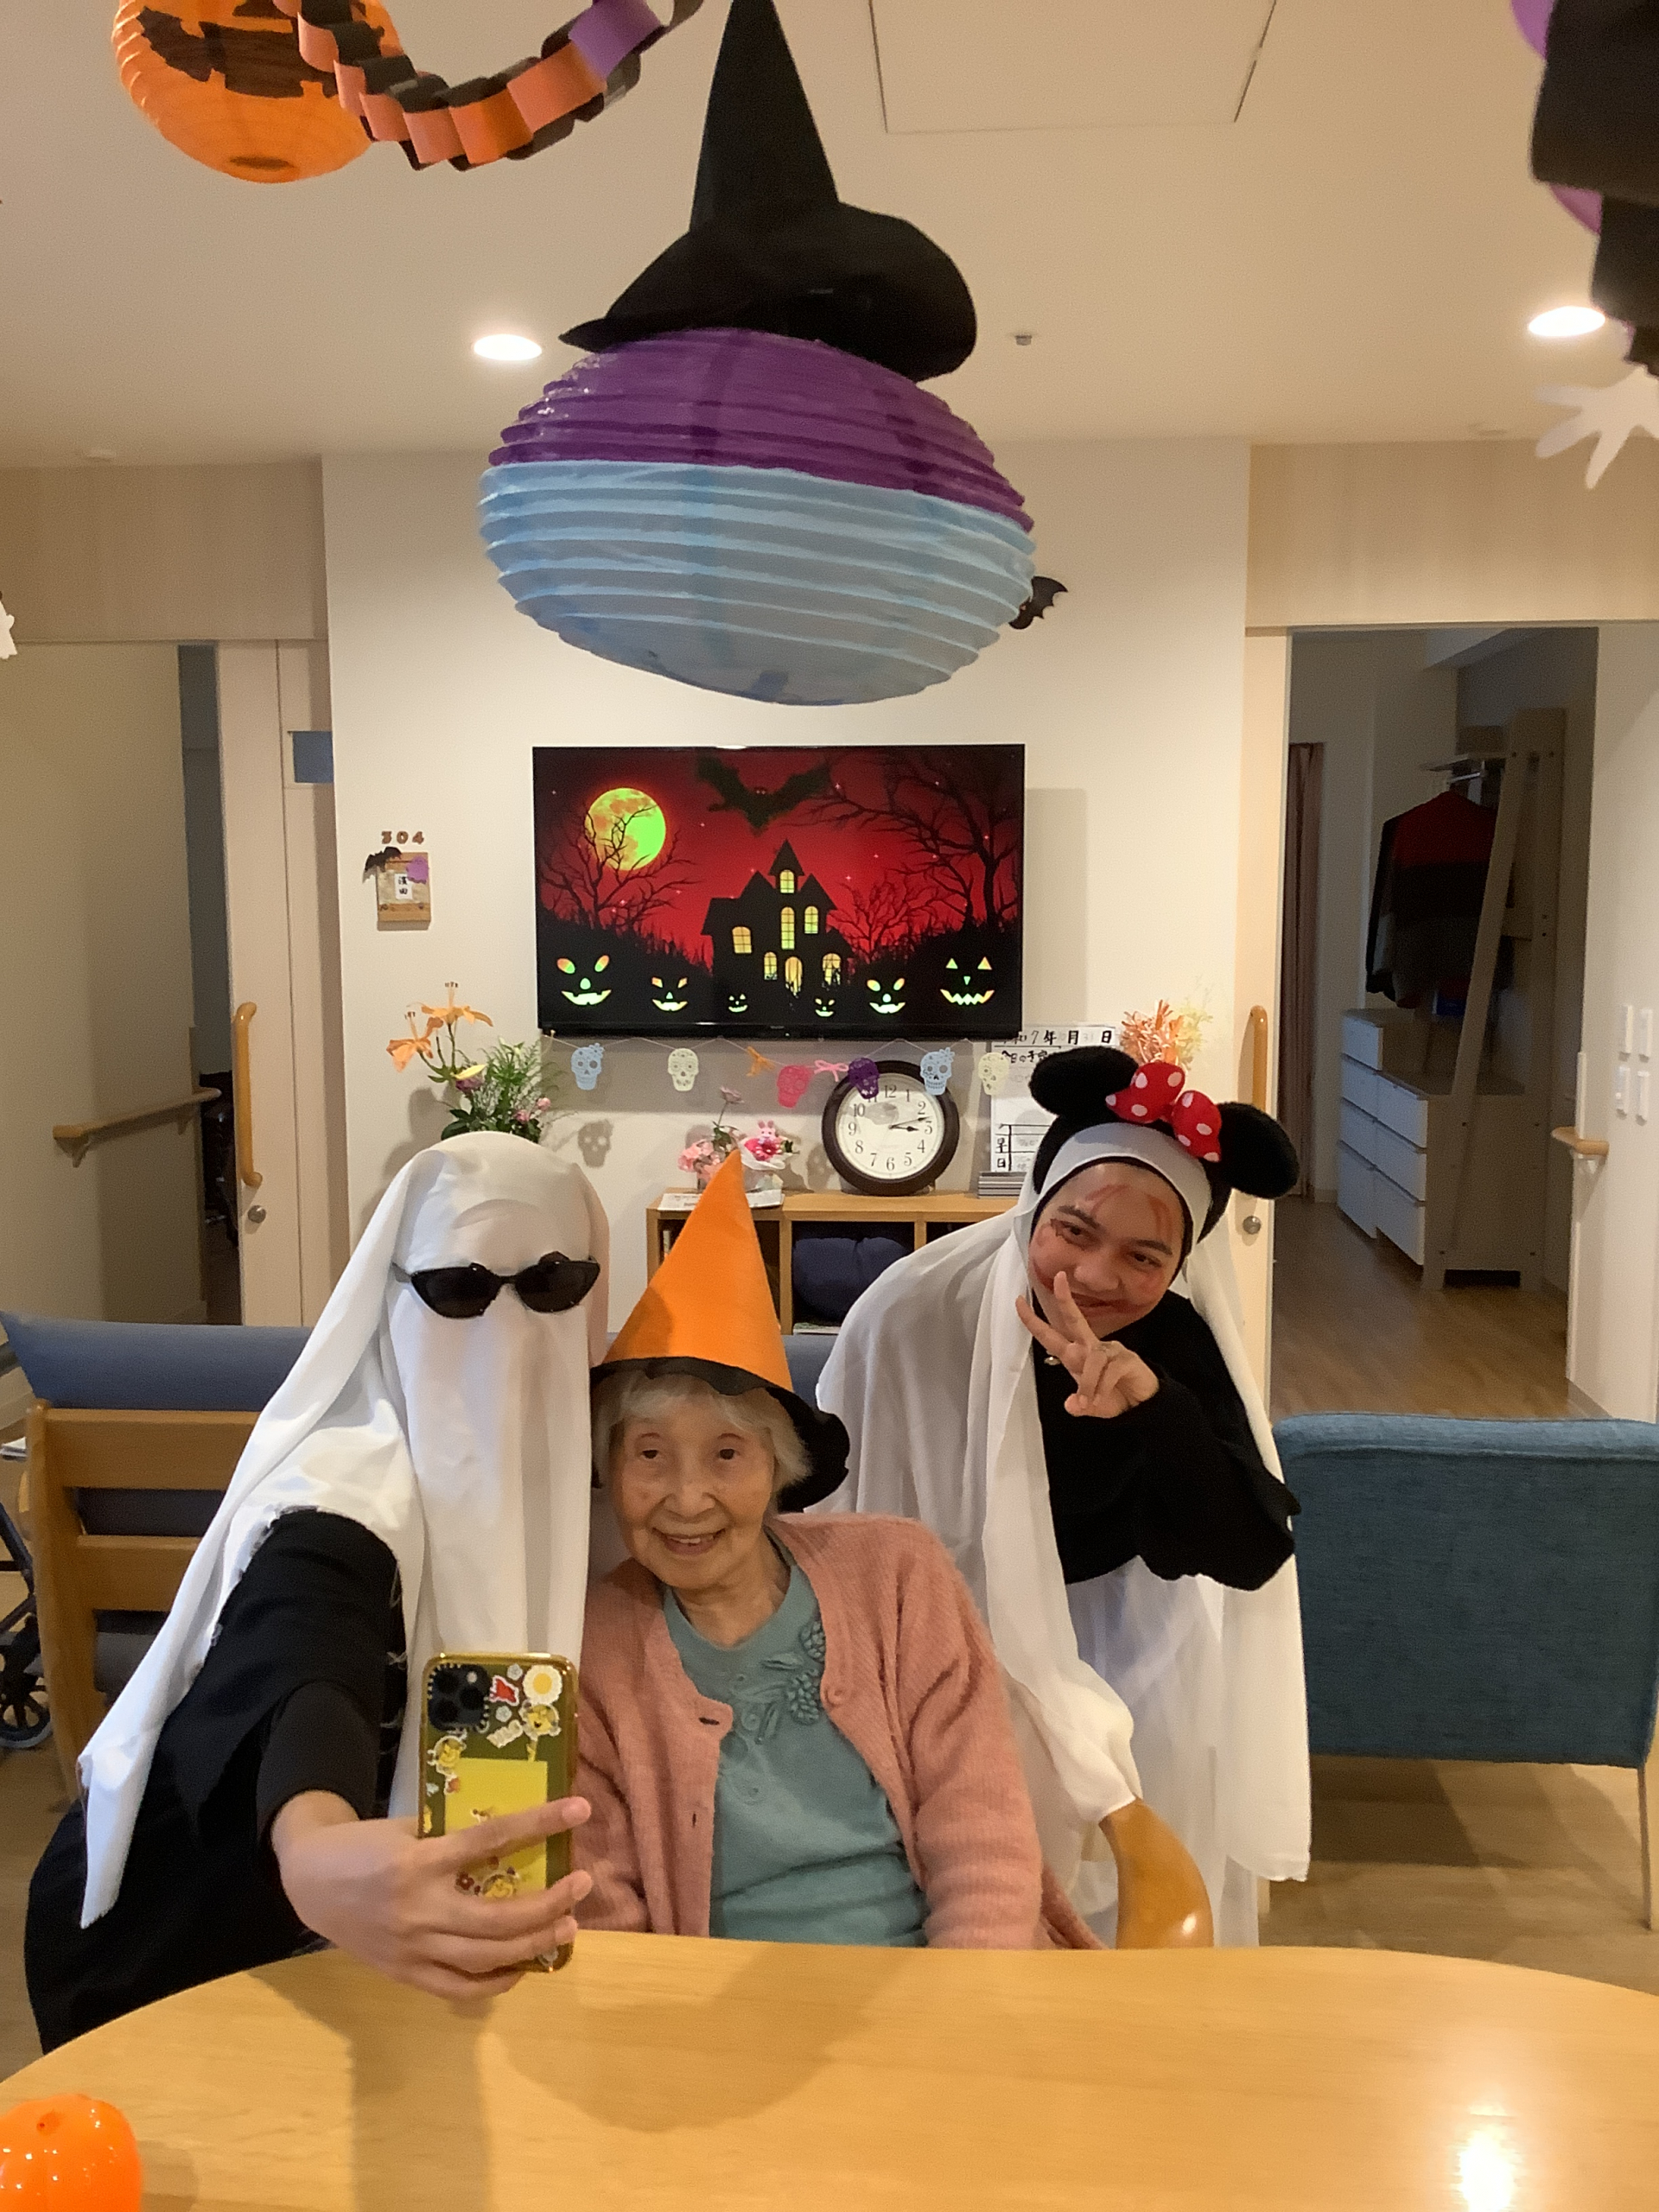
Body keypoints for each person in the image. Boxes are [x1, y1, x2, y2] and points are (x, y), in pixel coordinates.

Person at [27, 1134, 607, 2050]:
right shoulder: (340, 1494)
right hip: (189, 1945)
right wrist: (316, 1842)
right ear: (391, 1290)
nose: (506, 1328)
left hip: (425, 1964)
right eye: (457, 1289)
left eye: (551, 1283)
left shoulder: (620, 1471)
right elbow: (304, 1642)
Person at [817, 1046, 1309, 1945]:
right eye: (1073, 1231)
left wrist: (1157, 1412)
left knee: (1122, 1918)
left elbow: (1248, 1552)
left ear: (1180, 1264)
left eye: (1143, 1255)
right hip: (938, 1653)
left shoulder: (1177, 1345)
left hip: (1128, 1657)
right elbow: (839, 1506)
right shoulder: (915, 1313)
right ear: (1035, 1205)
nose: (1092, 1276)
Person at [576, 1154, 1093, 1950]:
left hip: (945, 1982)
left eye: (727, 1454)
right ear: (610, 1469)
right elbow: (607, 1913)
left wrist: (963, 2002)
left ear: (779, 1466)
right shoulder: (589, 1648)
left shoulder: (897, 1574)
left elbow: (982, 1832)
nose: (687, 1498)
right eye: (649, 1454)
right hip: (709, 2009)